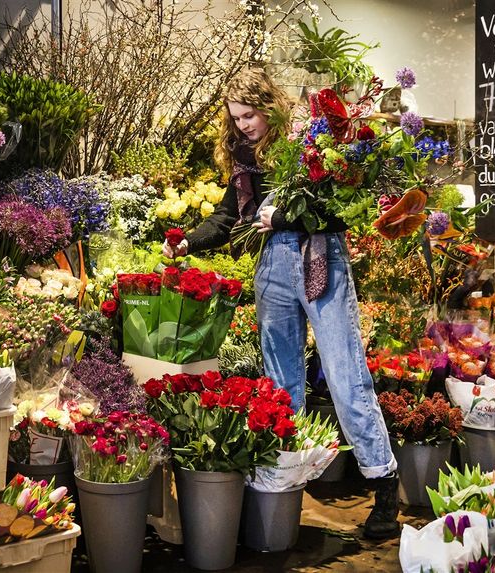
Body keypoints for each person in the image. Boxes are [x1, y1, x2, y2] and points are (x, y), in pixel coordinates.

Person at [162, 67, 400, 540]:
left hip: (320, 260)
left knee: (344, 374)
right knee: (280, 380)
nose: (243, 125)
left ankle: (385, 487)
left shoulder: (307, 141)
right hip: (272, 264)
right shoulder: (245, 156)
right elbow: (232, 216)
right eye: (235, 118)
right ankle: (282, 482)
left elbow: (340, 208)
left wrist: (287, 214)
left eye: (249, 115)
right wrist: (188, 241)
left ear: (268, 106)